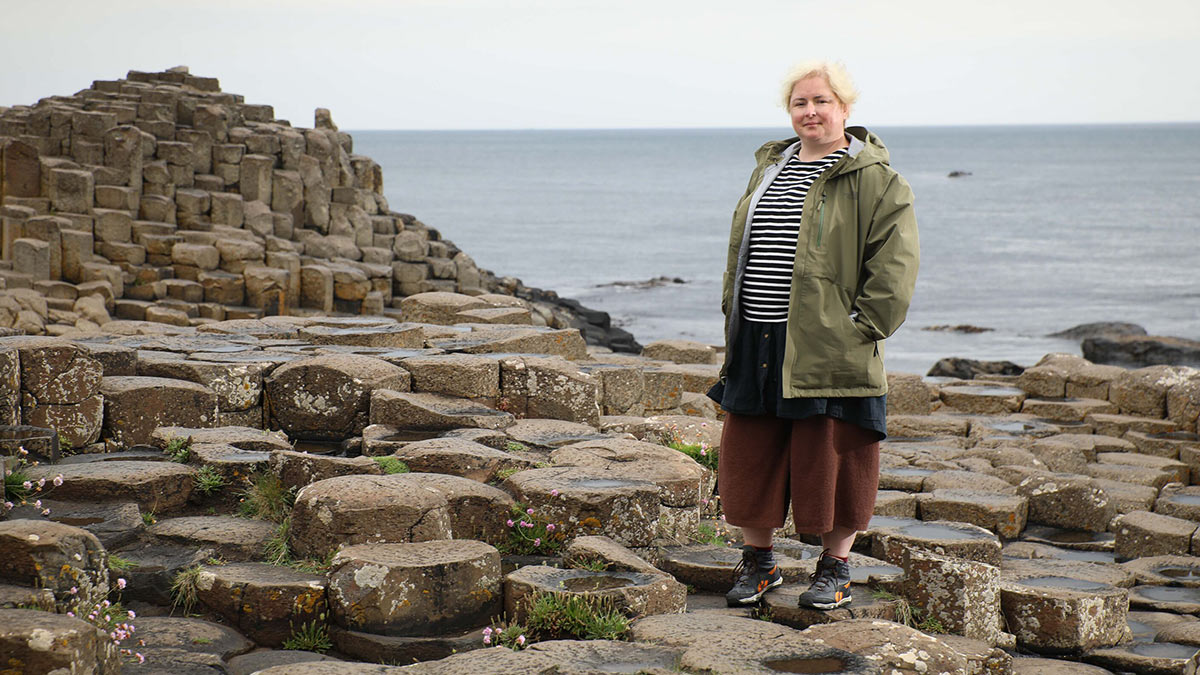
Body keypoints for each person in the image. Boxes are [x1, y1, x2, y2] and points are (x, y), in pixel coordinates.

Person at [707, 60, 919, 610]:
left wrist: (862, 330)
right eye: (800, 103)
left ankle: (836, 567)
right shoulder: (771, 167)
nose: (810, 111)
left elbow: (894, 266)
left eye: (821, 101)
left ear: (844, 109)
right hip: (758, 336)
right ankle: (759, 563)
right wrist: (735, 308)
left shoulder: (875, 179)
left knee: (836, 457)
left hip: (830, 343)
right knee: (753, 453)